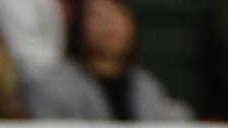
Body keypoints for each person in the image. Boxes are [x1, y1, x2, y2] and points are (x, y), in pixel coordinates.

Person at [28, 0, 192, 121]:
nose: (108, 25)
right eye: (96, 15)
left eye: (117, 14)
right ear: (79, 25)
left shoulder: (145, 85)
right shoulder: (54, 86)